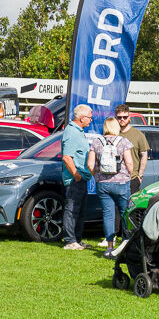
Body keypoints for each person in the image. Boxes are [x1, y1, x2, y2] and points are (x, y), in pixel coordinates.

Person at [86, 117, 133, 257]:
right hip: (121, 183)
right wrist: (130, 175)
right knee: (125, 213)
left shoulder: (96, 141)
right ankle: (126, 243)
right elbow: (129, 163)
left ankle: (110, 247)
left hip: (103, 184)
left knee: (108, 214)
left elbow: (90, 164)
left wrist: (97, 176)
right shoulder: (123, 142)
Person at [60, 104, 93, 250]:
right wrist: (76, 174)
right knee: (72, 209)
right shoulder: (72, 132)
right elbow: (67, 157)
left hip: (81, 178)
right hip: (75, 179)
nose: (91, 120)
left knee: (80, 210)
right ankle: (69, 240)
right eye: (89, 117)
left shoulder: (79, 131)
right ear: (81, 118)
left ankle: (77, 240)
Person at [115, 104, 149, 194]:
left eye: (125, 117)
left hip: (132, 179)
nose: (122, 119)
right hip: (114, 179)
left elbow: (144, 155)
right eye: (119, 117)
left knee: (129, 207)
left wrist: (140, 176)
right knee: (115, 208)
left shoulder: (138, 134)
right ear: (116, 118)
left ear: (129, 117)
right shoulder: (112, 133)